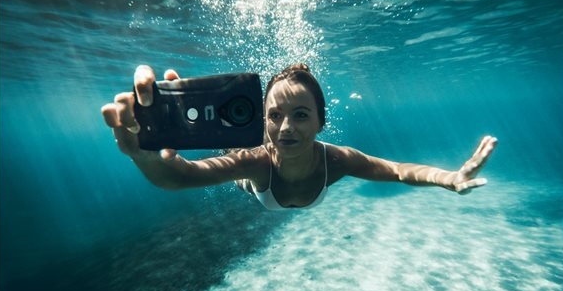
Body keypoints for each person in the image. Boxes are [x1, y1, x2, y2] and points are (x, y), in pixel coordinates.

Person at [101, 63, 498, 210]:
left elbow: (396, 170)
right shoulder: (257, 161)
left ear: (321, 122)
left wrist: (448, 178)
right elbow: (180, 176)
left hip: (272, 170)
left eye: (301, 115)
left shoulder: (336, 160)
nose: (286, 127)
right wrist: (144, 155)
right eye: (274, 116)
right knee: (240, 160)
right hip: (256, 179)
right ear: (264, 121)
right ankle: (232, 138)